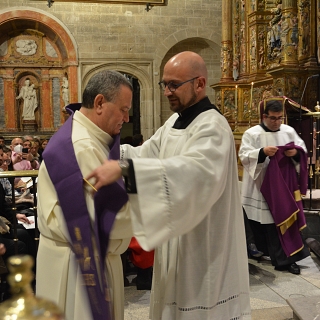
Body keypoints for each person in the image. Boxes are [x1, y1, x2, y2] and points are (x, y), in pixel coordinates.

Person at [87, 51, 251, 319]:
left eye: (174, 85)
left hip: (204, 242)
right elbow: (147, 153)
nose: (167, 92)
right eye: (165, 84)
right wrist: (103, 150)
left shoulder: (213, 126)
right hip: (176, 238)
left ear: (199, 84)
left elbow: (196, 173)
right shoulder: (174, 122)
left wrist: (125, 169)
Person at [36, 70, 133, 320]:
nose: (127, 116)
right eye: (123, 108)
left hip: (70, 259)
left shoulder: (86, 136)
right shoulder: (83, 146)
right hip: (78, 268)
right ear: (100, 103)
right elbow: (101, 224)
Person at [239, 99, 310, 275]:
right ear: (264, 117)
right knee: (265, 224)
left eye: (280, 118)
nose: (277, 122)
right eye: (273, 118)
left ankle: (286, 259)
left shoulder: (289, 131)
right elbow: (244, 156)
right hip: (260, 186)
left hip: (283, 186)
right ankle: (272, 254)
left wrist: (295, 153)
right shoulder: (252, 133)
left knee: (281, 221)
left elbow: (302, 150)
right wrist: (262, 152)